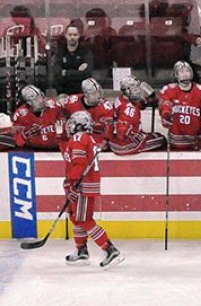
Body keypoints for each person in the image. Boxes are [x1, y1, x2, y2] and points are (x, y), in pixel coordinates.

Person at [56, 110, 123, 269]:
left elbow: (79, 164)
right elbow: (69, 156)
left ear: (80, 125)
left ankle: (109, 249)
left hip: (82, 186)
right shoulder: (81, 139)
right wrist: (60, 138)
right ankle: (81, 251)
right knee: (76, 217)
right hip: (82, 185)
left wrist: (74, 184)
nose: (69, 125)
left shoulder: (79, 138)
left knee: (84, 219)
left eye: (73, 122)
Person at [158, 61, 201, 150]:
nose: (185, 74)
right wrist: (166, 113)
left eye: (187, 71)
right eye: (181, 72)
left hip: (196, 140)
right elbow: (165, 105)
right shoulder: (169, 90)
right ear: (176, 75)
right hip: (176, 140)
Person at [110, 77, 166, 155]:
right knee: (162, 139)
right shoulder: (128, 108)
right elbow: (122, 128)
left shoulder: (121, 99)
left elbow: (142, 104)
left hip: (122, 136)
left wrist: (152, 98)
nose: (137, 91)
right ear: (127, 90)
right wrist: (132, 135)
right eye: (135, 89)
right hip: (129, 140)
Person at [61, 78, 116, 150]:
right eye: (94, 93)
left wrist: (103, 143)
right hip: (74, 141)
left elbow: (108, 133)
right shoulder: (72, 101)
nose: (98, 96)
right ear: (86, 94)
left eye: (99, 92)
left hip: (95, 141)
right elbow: (60, 108)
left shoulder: (106, 108)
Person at [12, 85, 64, 150]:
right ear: (29, 102)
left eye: (41, 96)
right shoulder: (20, 115)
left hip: (57, 149)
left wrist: (60, 135)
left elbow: (66, 133)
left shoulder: (54, 106)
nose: (41, 100)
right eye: (36, 99)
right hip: (33, 152)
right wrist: (24, 136)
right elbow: (16, 142)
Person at [52, 24, 94, 95]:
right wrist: (78, 72)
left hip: (81, 93)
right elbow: (57, 73)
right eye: (70, 34)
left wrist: (65, 72)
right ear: (66, 35)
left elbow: (87, 74)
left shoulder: (85, 52)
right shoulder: (60, 52)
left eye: (75, 35)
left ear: (79, 36)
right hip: (63, 92)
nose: (72, 37)